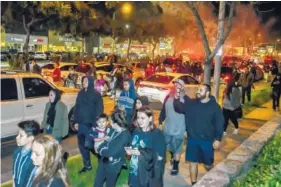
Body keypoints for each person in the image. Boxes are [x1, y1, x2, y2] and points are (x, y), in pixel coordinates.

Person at [173, 84, 224, 185]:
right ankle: (194, 183)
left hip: (207, 140)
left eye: (201, 90)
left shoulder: (214, 107)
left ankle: (212, 172)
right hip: (193, 139)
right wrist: (176, 98)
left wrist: (218, 139)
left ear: (207, 93)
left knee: (208, 164)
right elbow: (179, 108)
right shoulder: (192, 104)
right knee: (193, 163)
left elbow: (219, 122)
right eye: (198, 89)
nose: (198, 91)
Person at [126, 106, 166, 187]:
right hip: (135, 172)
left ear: (150, 118)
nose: (139, 120)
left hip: (148, 176)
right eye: (138, 118)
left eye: (142, 118)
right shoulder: (136, 131)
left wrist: (140, 153)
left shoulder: (157, 134)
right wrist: (129, 151)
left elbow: (159, 157)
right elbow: (132, 146)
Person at [94, 109, 132, 187]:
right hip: (103, 160)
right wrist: (103, 148)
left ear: (116, 123)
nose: (109, 123)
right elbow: (105, 141)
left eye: (110, 121)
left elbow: (110, 152)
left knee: (110, 184)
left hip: (114, 165)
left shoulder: (124, 136)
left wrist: (98, 149)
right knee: (97, 182)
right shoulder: (113, 129)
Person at [74, 76, 104, 174]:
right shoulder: (80, 93)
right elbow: (76, 108)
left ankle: (102, 157)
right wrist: (76, 122)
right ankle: (87, 165)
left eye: (86, 81)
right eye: (83, 81)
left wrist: (96, 124)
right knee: (82, 146)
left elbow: (99, 110)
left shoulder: (96, 94)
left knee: (90, 145)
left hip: (91, 125)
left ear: (90, 82)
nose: (84, 82)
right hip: (81, 125)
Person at [158, 79, 185, 176]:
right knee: (169, 147)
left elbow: (189, 114)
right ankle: (173, 158)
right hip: (168, 128)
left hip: (179, 128)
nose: (176, 85)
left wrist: (187, 130)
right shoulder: (168, 97)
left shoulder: (185, 98)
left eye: (179, 84)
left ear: (182, 87)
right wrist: (160, 122)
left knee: (177, 147)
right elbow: (163, 110)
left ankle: (175, 166)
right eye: (175, 84)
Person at [13, 120, 40, 187]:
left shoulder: (34, 158)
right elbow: (14, 174)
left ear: (30, 138)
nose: (17, 137)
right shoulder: (17, 152)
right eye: (18, 134)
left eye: (21, 136)